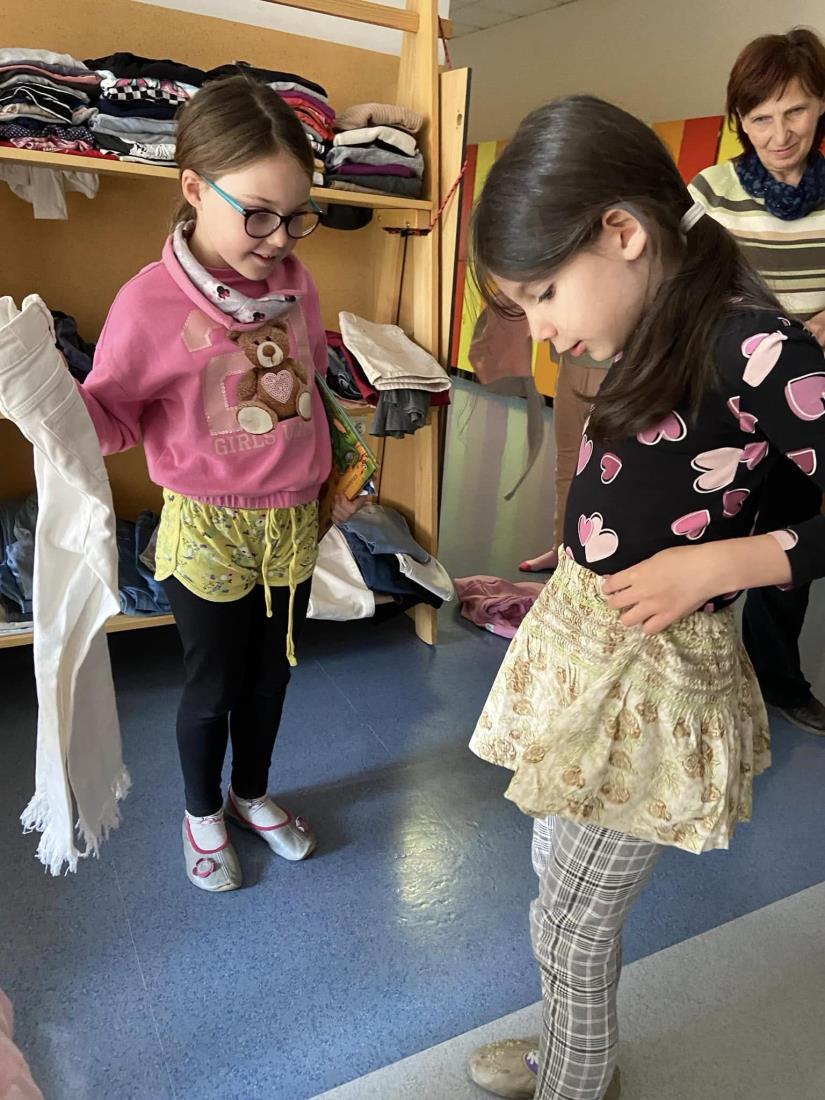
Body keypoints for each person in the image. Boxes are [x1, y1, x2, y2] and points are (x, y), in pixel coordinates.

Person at [463, 95, 825, 1100]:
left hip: (652, 681)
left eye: (542, 294)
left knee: (569, 922)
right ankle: (569, 1050)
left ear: (622, 232)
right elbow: (655, 466)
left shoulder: (750, 345)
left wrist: (720, 566)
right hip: (590, 643)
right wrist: (585, 540)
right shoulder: (646, 319)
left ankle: (576, 1079)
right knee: (553, 869)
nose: (541, 329)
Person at [78, 75, 362, 892]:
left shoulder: (296, 281)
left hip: (293, 522)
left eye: (296, 215)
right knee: (212, 687)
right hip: (206, 527)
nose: (279, 239)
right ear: (195, 188)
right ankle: (201, 811)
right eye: (259, 214)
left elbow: (309, 388)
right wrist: (48, 406)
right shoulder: (147, 302)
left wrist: (338, 473)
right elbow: (112, 421)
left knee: (272, 678)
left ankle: (250, 793)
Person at [689, 28, 825, 735]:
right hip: (723, 401)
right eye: (761, 117)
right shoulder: (710, 190)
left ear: (821, 105)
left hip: (806, 404)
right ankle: (691, 684)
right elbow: (674, 285)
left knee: (787, 546)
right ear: (739, 119)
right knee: (702, 535)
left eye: (795, 110)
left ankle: (777, 680)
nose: (780, 134)